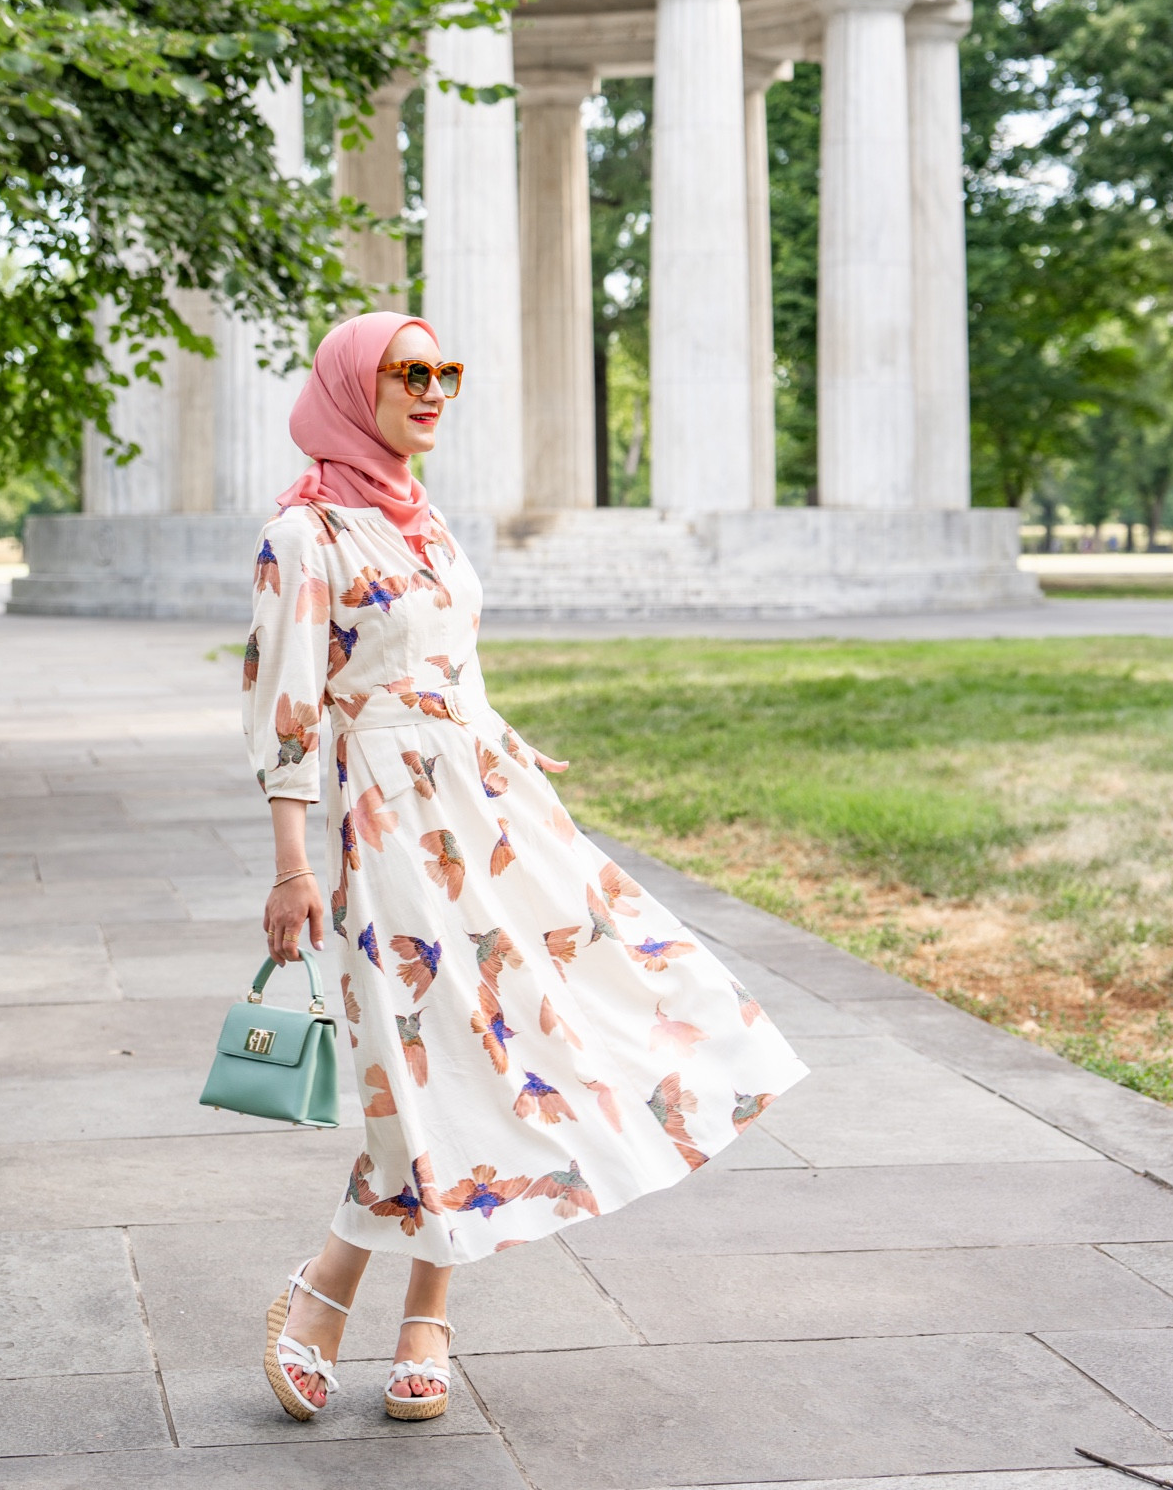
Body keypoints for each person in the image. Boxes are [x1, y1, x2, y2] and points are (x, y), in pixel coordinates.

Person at [244, 309, 808, 1423]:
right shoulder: (303, 535)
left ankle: (404, 1307)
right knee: (422, 1058)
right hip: (382, 822)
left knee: (518, 1038)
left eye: (444, 371)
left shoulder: (426, 520)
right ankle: (344, 1294)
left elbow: (459, 670)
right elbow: (287, 707)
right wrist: (290, 865)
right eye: (409, 372)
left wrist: (498, 742)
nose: (432, 390)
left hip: (485, 810)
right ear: (354, 387)